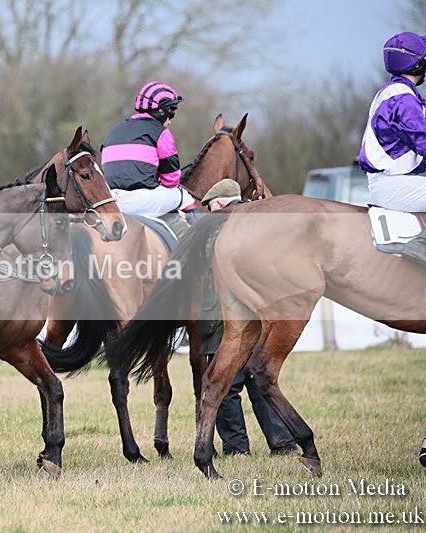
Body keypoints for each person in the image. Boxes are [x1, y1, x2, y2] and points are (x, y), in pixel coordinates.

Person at [197, 179, 298, 456]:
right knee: (261, 378)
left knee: (227, 386)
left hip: (225, 316)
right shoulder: (259, 220)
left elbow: (209, 263)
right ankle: (282, 443)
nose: (210, 211)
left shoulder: (224, 224)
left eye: (210, 206)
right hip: (264, 314)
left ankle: (237, 448)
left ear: (220, 202)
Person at [358, 32, 426, 266]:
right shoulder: (403, 99)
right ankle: (422, 243)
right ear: (419, 64)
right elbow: (425, 145)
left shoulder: (393, 93)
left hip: (390, 181)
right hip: (393, 184)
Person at [101, 82, 192, 219]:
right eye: (171, 112)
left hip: (111, 200)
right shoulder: (161, 132)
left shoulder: (115, 131)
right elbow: (171, 179)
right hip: (141, 201)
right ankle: (200, 239)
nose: (170, 121)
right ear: (161, 110)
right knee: (185, 197)